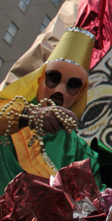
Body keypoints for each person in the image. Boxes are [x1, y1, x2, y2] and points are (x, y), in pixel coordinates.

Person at [0, 27, 101, 191]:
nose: (60, 91)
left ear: (80, 94)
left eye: (73, 85)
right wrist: (28, 115)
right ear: (40, 78)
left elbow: (95, 201)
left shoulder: (82, 154)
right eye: (54, 78)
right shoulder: (8, 110)